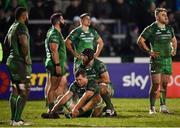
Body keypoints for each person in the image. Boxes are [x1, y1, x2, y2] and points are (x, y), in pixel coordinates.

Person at [137, 8, 177, 114]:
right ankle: (152, 108)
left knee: (164, 84)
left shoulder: (169, 28)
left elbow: (174, 40)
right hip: (157, 60)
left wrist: (174, 49)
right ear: (157, 17)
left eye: (166, 14)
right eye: (163, 15)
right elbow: (140, 41)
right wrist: (149, 52)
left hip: (167, 59)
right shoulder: (151, 28)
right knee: (155, 84)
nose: (166, 16)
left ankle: (163, 106)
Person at [5, 7, 32, 126]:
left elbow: (6, 42)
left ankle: (13, 119)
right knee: (24, 90)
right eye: (27, 15)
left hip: (11, 61)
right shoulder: (21, 26)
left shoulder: (12, 26)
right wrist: (26, 56)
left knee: (15, 90)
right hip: (20, 62)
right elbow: (23, 41)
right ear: (24, 15)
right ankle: (17, 120)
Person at [79, 48, 117, 117]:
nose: (82, 57)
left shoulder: (99, 64)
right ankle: (104, 109)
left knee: (101, 87)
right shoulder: (81, 66)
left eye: (84, 56)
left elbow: (107, 80)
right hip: (90, 90)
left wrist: (92, 81)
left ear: (89, 57)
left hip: (106, 89)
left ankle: (110, 108)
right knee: (94, 115)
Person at [44, 13, 67, 113]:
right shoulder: (54, 33)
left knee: (55, 86)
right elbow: (54, 50)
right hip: (55, 63)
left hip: (55, 62)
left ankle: (54, 107)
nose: (64, 21)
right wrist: (57, 64)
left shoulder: (52, 31)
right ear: (58, 22)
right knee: (53, 87)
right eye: (62, 19)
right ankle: (51, 108)